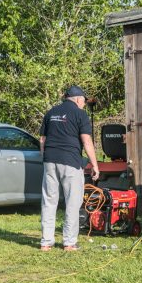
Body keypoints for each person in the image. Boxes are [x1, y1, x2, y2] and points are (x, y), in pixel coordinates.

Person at [39, 85, 100, 251]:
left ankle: (46, 242)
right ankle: (69, 242)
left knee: (49, 201)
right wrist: (95, 165)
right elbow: (86, 141)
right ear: (78, 99)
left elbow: (42, 140)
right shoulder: (80, 114)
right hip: (70, 162)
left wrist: (45, 158)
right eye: (84, 101)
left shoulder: (51, 112)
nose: (84, 104)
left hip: (50, 160)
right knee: (73, 201)